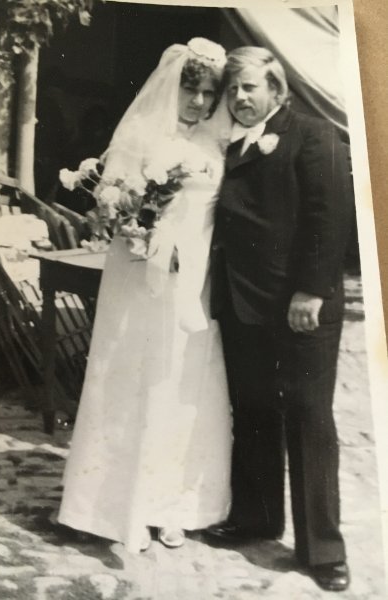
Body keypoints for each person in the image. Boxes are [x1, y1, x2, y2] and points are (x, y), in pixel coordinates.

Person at [58, 38, 233, 553]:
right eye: (190, 90)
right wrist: (142, 231)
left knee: (182, 386)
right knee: (132, 377)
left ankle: (171, 505)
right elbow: (112, 207)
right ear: (171, 85)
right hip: (139, 281)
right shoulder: (138, 134)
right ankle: (111, 506)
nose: (199, 102)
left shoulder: (216, 143)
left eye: (209, 93)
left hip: (192, 282)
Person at [206, 47, 353, 592]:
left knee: (310, 418)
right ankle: (257, 519)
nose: (239, 97)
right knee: (253, 410)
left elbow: (329, 217)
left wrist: (311, 291)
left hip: (300, 308)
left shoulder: (313, 135)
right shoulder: (227, 143)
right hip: (243, 304)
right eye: (232, 90)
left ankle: (324, 551)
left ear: (277, 90)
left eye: (249, 87)